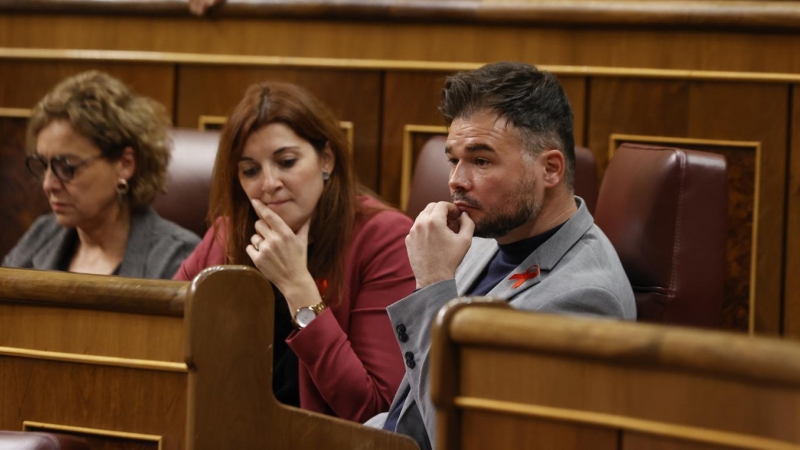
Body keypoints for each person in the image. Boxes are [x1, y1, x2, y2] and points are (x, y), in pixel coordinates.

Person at [366, 61, 636, 449]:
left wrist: (432, 285)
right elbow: (406, 413)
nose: (456, 180)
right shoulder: (488, 235)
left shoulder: (586, 299)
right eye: (453, 158)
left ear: (550, 169)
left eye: (481, 160)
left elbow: (463, 438)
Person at [173, 81, 415, 422]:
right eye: (250, 170)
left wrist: (298, 288)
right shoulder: (228, 234)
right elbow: (164, 341)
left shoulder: (384, 239)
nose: (268, 183)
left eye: (286, 162)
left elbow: (375, 410)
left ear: (326, 160)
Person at [2, 71, 200, 279]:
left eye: (66, 167)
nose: (48, 185)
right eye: (43, 165)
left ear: (125, 164)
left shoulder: (177, 258)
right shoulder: (42, 235)